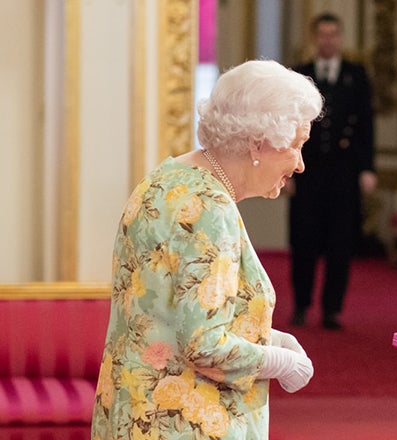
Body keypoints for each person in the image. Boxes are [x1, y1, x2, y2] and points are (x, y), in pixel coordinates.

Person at [91, 60, 324, 439]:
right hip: (182, 424)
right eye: (297, 146)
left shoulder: (168, 179)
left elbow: (171, 314)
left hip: (133, 412)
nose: (299, 165)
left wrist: (271, 338)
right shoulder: (209, 209)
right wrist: (282, 362)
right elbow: (206, 346)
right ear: (259, 142)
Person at [288, 12, 376, 330]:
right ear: (315, 38)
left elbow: (366, 124)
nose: (328, 40)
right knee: (303, 240)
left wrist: (367, 168)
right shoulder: (301, 74)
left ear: (340, 38)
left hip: (344, 170)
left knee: (341, 241)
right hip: (307, 170)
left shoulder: (356, 75)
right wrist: (288, 172)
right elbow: (291, 125)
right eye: (322, 34)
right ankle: (300, 304)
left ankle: (332, 309)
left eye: (333, 34)